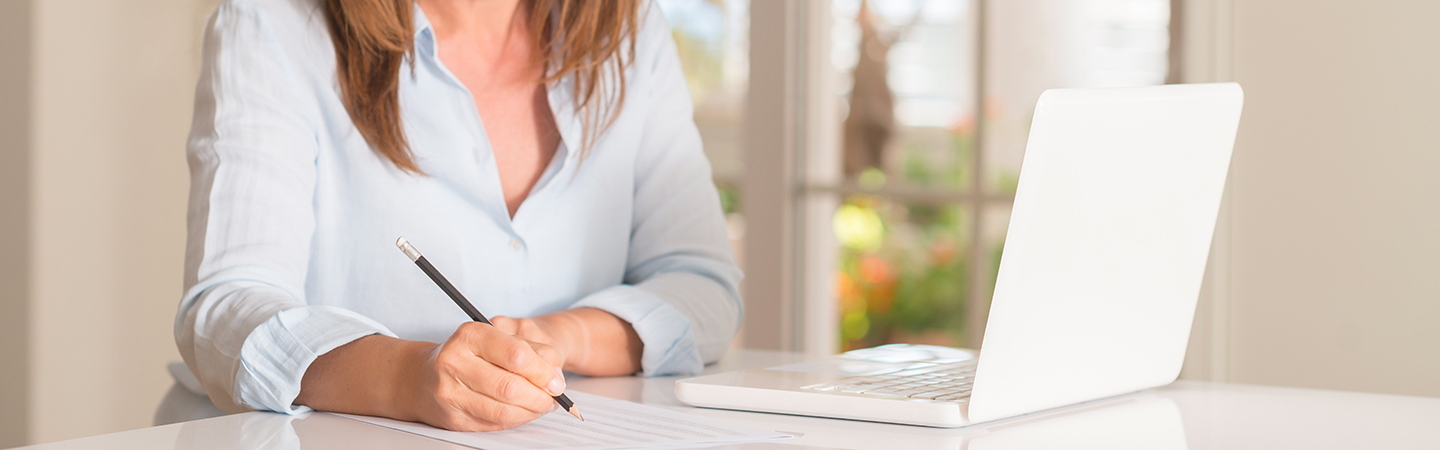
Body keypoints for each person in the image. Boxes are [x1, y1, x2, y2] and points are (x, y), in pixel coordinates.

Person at [175, 0, 741, 432]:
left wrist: (553, 339)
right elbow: (226, 309)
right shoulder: (274, 24)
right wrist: (404, 377)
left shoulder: (631, 30)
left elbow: (703, 286)